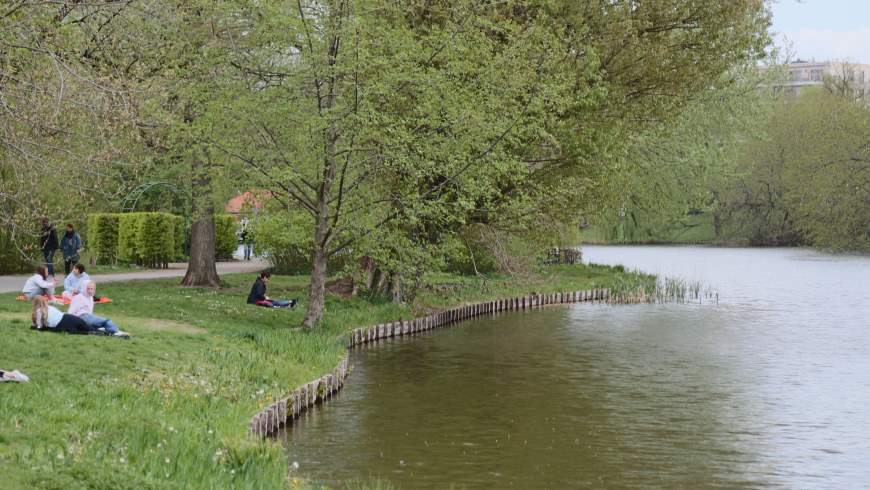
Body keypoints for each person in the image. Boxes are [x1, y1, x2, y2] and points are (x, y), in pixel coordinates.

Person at [31, 296, 102, 335]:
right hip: (68, 317)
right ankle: (103, 330)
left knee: (79, 331)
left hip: (62, 323)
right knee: (87, 327)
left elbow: (39, 326)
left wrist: (34, 326)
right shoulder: (50, 307)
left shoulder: (38, 311)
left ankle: (93, 332)